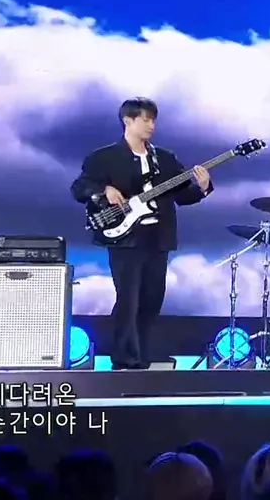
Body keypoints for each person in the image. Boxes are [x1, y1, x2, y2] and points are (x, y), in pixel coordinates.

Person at [69, 97, 212, 370]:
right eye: (145, 120)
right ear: (128, 121)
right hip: (125, 238)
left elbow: (183, 197)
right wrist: (104, 191)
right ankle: (124, 358)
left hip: (158, 237)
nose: (151, 126)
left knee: (152, 299)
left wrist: (203, 187)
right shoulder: (104, 157)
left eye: (153, 120)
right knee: (128, 299)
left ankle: (143, 355)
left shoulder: (165, 159)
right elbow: (79, 189)